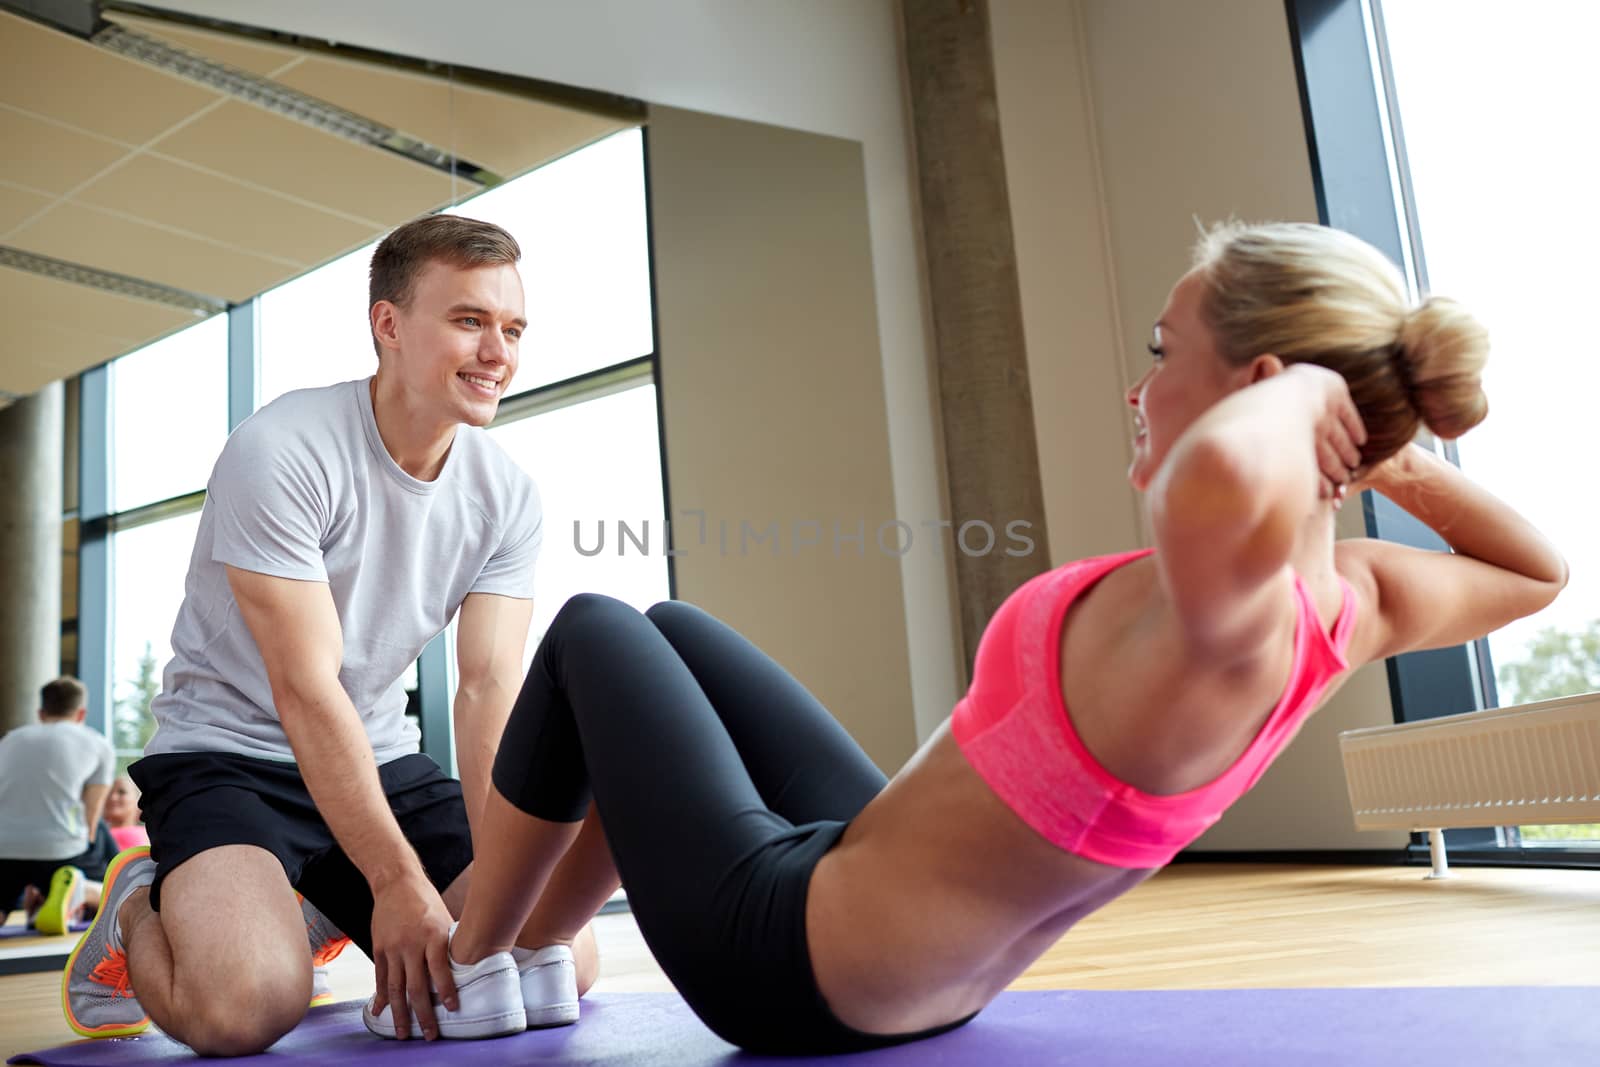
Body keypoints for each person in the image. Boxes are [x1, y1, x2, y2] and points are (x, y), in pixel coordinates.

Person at [416, 222, 1566, 1055]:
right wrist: (1381, 440)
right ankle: (529, 962)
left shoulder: (1229, 620)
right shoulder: (1343, 603)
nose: (1138, 385)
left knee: (592, 629)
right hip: (894, 936)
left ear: (1259, 393)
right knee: (672, 631)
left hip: (787, 963)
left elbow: (1214, 476)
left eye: (1164, 353)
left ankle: (472, 961)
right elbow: (1534, 570)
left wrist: (1304, 396)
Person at [63, 214, 595, 1053]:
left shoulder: (506, 494)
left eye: (513, 328)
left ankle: (305, 895)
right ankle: (139, 904)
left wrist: (499, 896)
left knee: (559, 949)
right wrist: (395, 881)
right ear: (388, 323)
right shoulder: (283, 448)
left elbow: (488, 692)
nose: (500, 352)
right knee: (244, 1009)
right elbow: (305, 687)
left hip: (378, 759)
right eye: (469, 321)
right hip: (227, 757)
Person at [0, 678, 115, 937]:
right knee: (115, 891)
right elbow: (92, 818)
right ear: (81, 713)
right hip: (62, 852)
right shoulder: (97, 743)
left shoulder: (9, 741)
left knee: (4, 896)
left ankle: (28, 901)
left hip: (5, 849)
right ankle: (79, 891)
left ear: (41, 713)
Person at [102, 776, 148, 852]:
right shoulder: (95, 832)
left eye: (122, 792)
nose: (113, 797)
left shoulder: (144, 835)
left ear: (139, 801)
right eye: (108, 792)